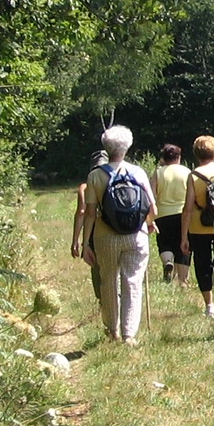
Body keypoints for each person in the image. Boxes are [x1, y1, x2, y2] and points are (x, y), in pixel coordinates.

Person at [82, 125, 157, 345]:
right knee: (132, 281)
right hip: (136, 235)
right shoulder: (138, 172)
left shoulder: (95, 176)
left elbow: (90, 213)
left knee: (108, 281)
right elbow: (153, 209)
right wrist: (148, 224)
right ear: (128, 146)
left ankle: (112, 330)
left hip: (105, 236)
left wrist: (85, 243)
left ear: (106, 147)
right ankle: (129, 334)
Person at [179, 135, 214, 319]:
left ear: (196, 153)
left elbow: (188, 208)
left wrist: (184, 236)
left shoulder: (194, 175)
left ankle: (210, 305)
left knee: (202, 264)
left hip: (198, 227)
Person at [71, 149, 109, 306]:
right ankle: (116, 296)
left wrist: (76, 240)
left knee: (96, 265)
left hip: (93, 231)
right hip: (113, 228)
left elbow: (82, 212)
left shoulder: (85, 187)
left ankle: (102, 300)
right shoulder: (115, 181)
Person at [151, 143, 191, 285]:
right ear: (179, 157)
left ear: (164, 158)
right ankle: (183, 280)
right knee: (183, 244)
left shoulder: (158, 173)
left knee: (165, 242)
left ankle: (168, 261)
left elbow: (151, 195)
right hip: (183, 213)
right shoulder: (187, 172)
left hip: (162, 215)